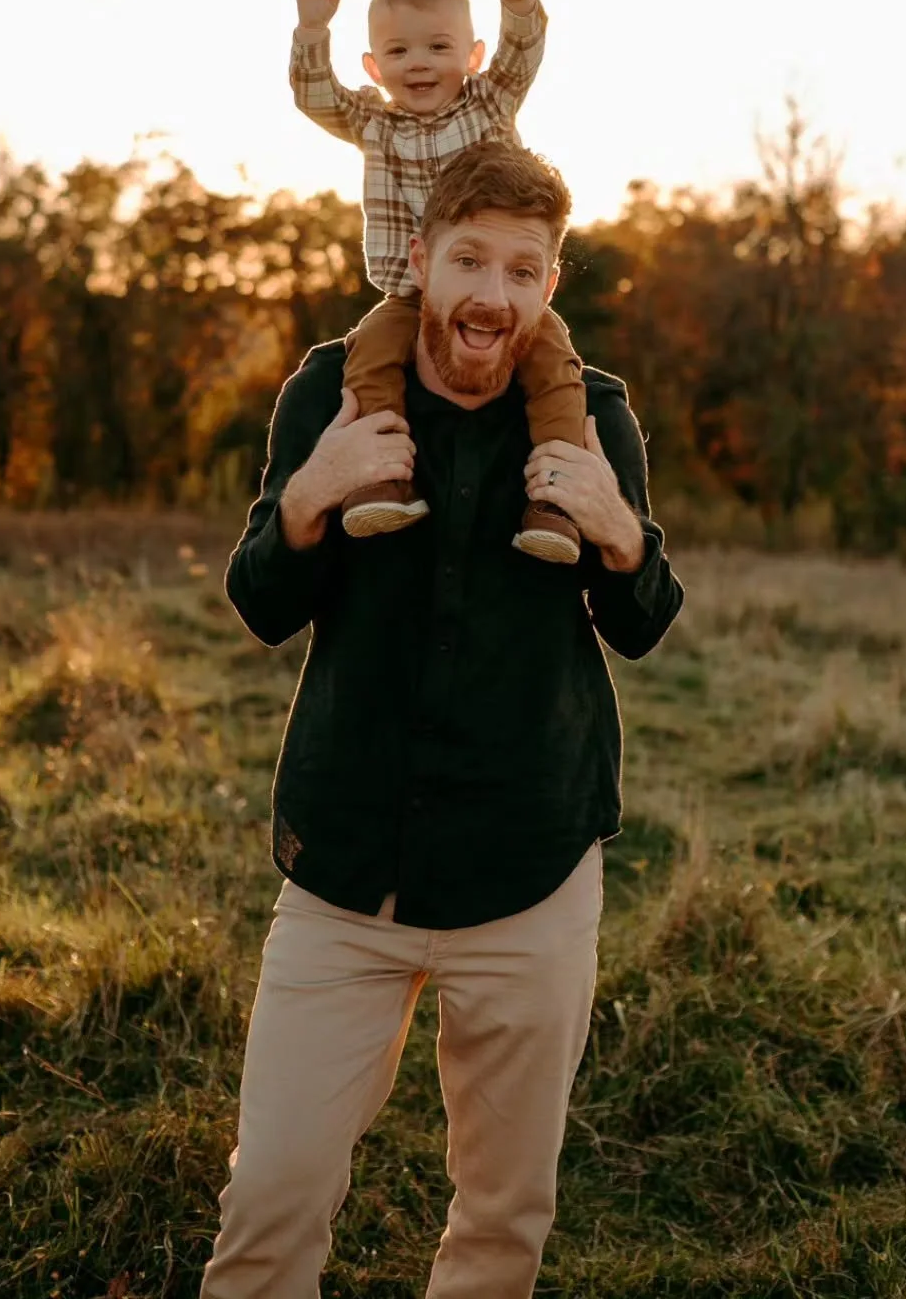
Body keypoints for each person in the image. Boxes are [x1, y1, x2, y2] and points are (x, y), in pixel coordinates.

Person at [199, 138, 684, 1299]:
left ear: (550, 285)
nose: (493, 295)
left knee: (505, 1217)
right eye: (471, 261)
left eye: (524, 271)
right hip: (344, 871)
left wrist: (622, 537)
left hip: (530, 874)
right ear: (419, 260)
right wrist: (309, 502)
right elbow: (264, 604)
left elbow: (642, 620)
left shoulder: (594, 417)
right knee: (270, 1197)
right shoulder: (329, 388)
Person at [290, 0, 586, 563]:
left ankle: (557, 503)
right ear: (373, 66)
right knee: (369, 360)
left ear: (471, 56)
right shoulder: (371, 121)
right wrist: (314, 27)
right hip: (406, 293)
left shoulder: (488, 102)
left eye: (438, 48)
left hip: (502, 287)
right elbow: (315, 95)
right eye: (398, 52)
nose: (418, 63)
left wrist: (518, 3)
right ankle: (381, 480)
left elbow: (522, 55)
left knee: (555, 368)